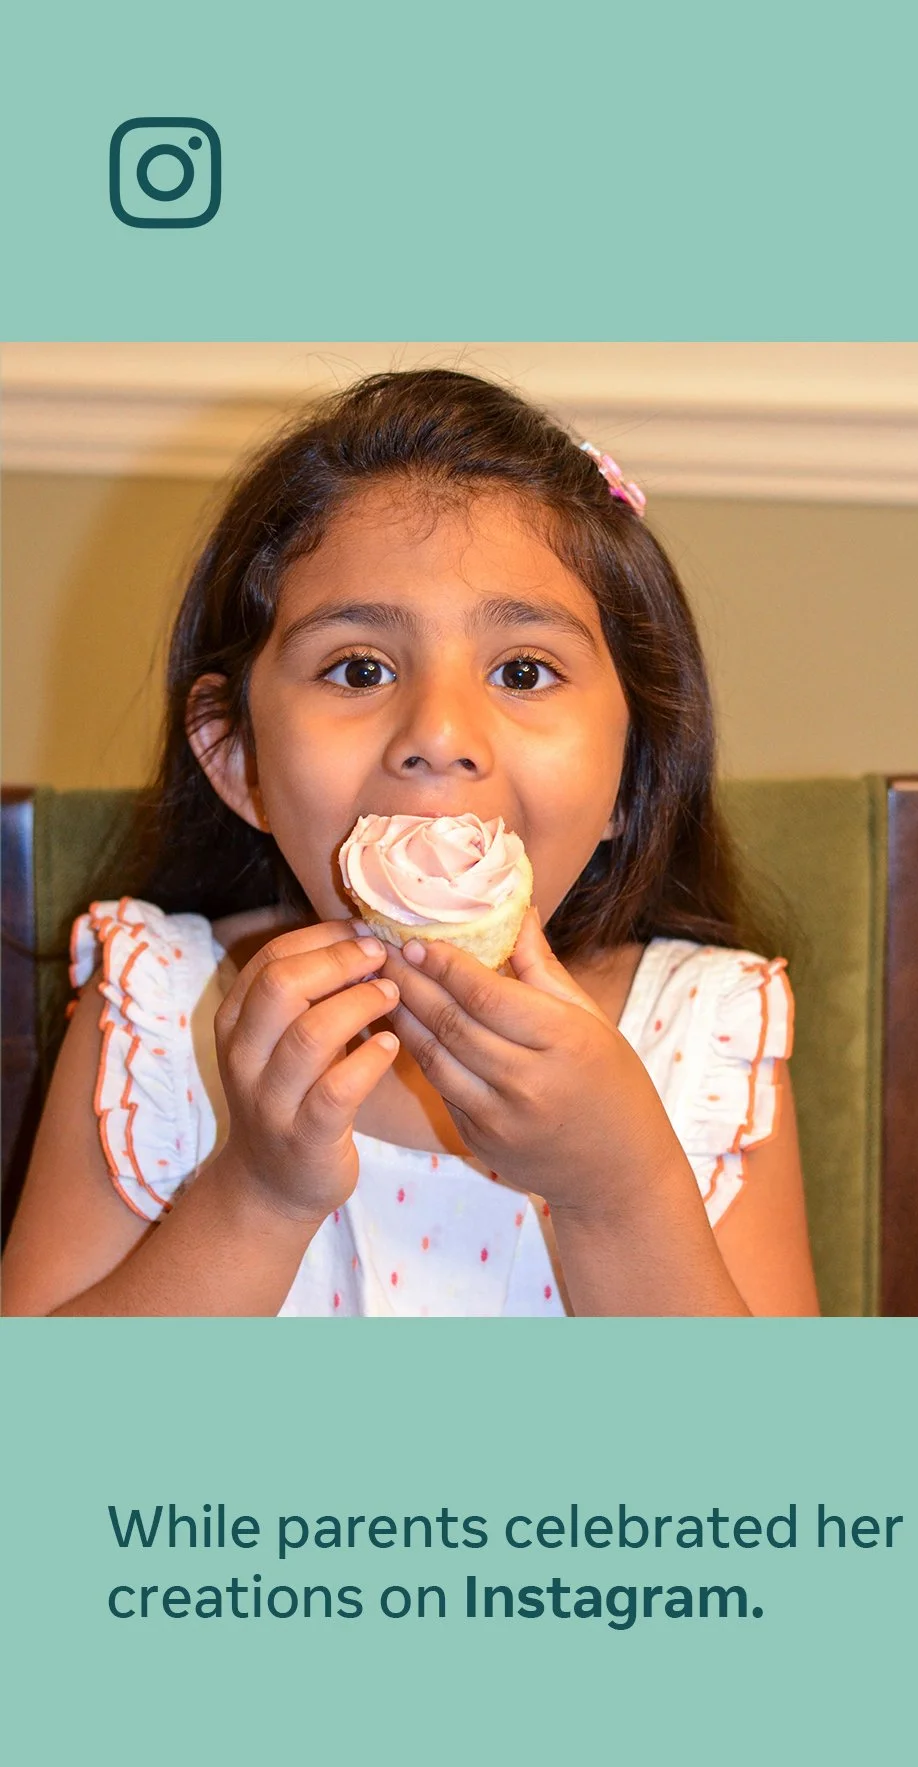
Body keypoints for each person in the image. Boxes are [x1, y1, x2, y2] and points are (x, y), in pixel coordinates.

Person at [2, 369, 819, 1318]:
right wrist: (256, 1193)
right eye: (360, 669)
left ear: (631, 781)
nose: (439, 732)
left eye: (523, 672)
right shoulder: (159, 1014)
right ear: (239, 759)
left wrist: (620, 1193)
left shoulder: (703, 1036)